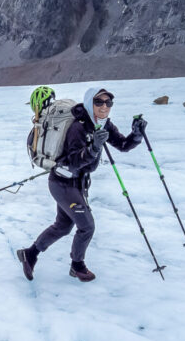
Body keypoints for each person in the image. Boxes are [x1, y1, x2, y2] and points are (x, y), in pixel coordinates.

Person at [18, 87, 146, 282]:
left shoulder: (103, 124)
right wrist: (94, 148)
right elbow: (73, 161)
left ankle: (30, 254)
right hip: (62, 183)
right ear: (89, 103)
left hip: (77, 184)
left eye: (108, 103)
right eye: (99, 102)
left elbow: (122, 145)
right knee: (86, 226)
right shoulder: (78, 127)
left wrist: (136, 135)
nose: (104, 107)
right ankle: (77, 266)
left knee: (62, 226)